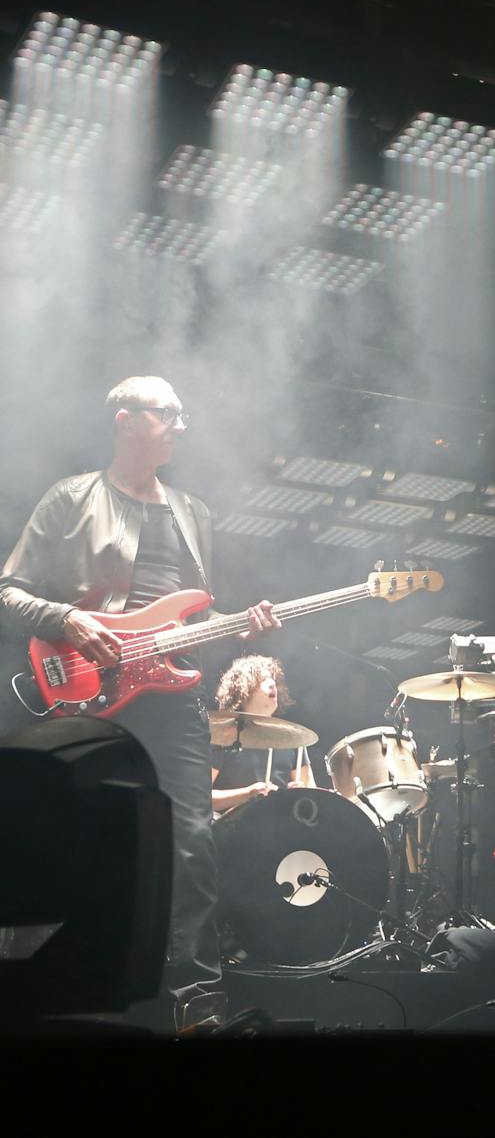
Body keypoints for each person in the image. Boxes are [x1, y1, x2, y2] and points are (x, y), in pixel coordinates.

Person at [0, 376, 280, 1030]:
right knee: (73, 835)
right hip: (82, 689)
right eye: (167, 414)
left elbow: (190, 612)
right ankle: (52, 996)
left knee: (191, 840)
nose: (181, 425)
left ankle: (196, 1001)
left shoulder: (194, 513)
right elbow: (7, 593)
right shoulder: (72, 498)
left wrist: (240, 624)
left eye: (183, 414)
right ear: (126, 421)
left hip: (167, 691)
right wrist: (68, 620)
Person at [210, 654, 314, 813]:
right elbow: (199, 798)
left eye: (273, 679)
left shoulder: (292, 739)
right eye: (264, 679)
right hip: (230, 831)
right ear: (243, 688)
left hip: (279, 828)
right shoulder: (222, 736)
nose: (272, 683)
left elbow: (312, 795)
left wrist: (302, 793)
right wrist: (247, 795)